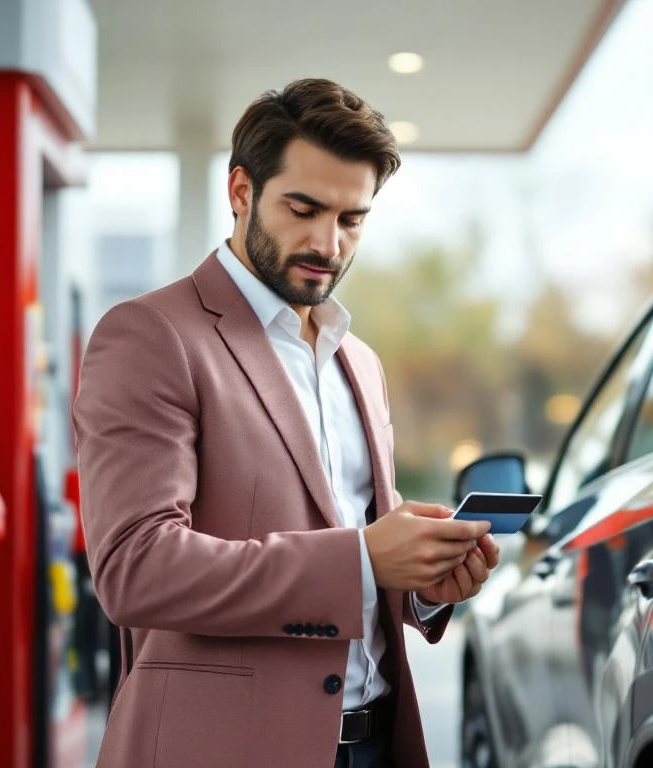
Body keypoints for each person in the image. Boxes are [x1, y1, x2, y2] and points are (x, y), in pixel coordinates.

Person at [72, 78, 501, 768]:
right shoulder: (152, 336)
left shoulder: (358, 362)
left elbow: (362, 571)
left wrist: (418, 583)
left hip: (375, 744)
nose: (327, 243)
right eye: (303, 208)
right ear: (241, 191)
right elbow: (135, 568)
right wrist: (362, 559)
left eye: (351, 219)